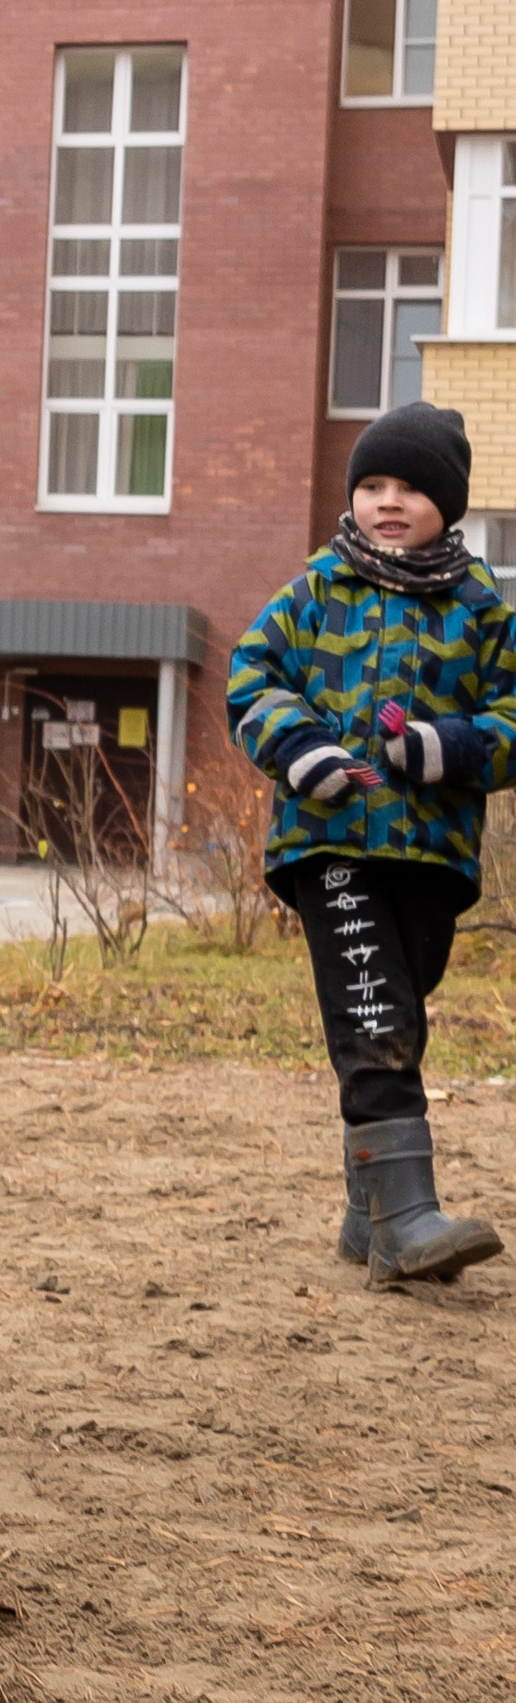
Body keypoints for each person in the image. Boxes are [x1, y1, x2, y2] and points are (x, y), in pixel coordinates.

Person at [226, 397, 509, 1286]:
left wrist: (450, 746)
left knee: (400, 1007)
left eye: (410, 488)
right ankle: (408, 1218)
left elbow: (512, 717)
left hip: (432, 852)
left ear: (446, 504)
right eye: (373, 484)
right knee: (373, 1009)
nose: (388, 500)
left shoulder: (481, 608)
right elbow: (251, 676)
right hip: (331, 842)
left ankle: (370, 1215)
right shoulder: (317, 589)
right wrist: (300, 748)